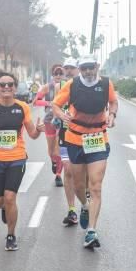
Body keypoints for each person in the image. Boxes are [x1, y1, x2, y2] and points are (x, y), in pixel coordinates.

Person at [52, 55, 118, 249]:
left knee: (95, 186)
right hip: (75, 139)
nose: (88, 71)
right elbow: (55, 104)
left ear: (97, 66)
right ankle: (84, 206)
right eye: (84, 68)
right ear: (80, 69)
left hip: (98, 138)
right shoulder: (72, 85)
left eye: (91, 67)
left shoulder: (106, 84)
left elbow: (113, 102)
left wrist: (112, 115)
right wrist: (60, 114)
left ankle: (91, 231)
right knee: (79, 185)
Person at [0, 72, 45, 251]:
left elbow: (32, 134)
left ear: (15, 88)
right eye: (3, 85)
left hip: (17, 158)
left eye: (10, 85)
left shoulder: (22, 107)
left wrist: (39, 130)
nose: (6, 87)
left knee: (10, 197)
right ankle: (5, 209)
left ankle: (11, 235)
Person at [56, 58, 80, 226]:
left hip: (85, 135)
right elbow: (53, 105)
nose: (69, 71)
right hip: (65, 134)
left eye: (72, 68)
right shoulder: (60, 87)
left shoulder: (88, 86)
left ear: (78, 69)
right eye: (67, 68)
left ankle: (86, 202)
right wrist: (58, 116)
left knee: (84, 173)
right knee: (68, 171)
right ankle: (72, 210)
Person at [35, 64, 67, 187]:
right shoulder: (47, 87)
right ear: (52, 75)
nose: (58, 75)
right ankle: (54, 162)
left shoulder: (68, 87)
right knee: (51, 149)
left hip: (63, 120)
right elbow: (36, 101)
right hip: (49, 120)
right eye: (56, 73)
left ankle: (58, 174)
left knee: (59, 148)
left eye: (60, 73)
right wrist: (50, 103)